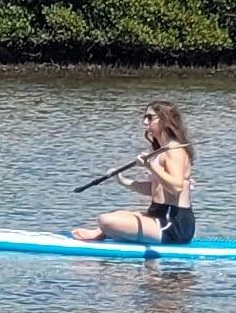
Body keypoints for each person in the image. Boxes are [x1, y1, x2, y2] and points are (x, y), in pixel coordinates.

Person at [73, 100, 196, 245]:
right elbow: (154, 189)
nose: (145, 122)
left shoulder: (174, 150)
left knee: (105, 220)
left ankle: (104, 231)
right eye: (144, 117)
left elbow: (176, 188)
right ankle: (103, 231)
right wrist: (122, 180)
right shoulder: (161, 150)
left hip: (173, 224)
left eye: (150, 118)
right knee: (117, 214)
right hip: (158, 214)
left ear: (165, 120)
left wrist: (150, 166)